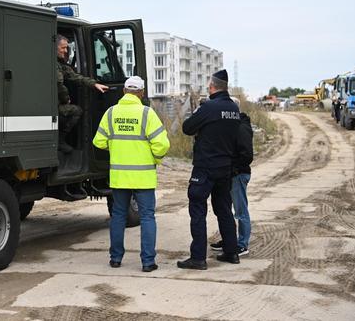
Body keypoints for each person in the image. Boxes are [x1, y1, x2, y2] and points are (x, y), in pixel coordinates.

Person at [93, 76, 170, 272]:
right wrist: (155, 159)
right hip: (143, 178)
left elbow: (98, 142)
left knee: (118, 216)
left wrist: (116, 148)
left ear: (124, 92)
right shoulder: (147, 114)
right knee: (147, 217)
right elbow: (162, 145)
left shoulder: (111, 113)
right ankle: (147, 262)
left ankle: (116, 259)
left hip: (119, 177)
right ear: (142, 93)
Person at [177, 69, 241, 270]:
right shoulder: (234, 109)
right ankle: (231, 252)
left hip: (205, 167)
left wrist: (198, 111)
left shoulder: (209, 107)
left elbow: (187, 128)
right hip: (225, 167)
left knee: (197, 209)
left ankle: (198, 258)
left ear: (212, 86)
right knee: (224, 209)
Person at [211, 110, 253, 255]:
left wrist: (234, 168)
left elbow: (247, 155)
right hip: (230, 174)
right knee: (226, 210)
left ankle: (242, 244)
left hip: (238, 174)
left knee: (240, 210)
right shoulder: (234, 125)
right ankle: (229, 240)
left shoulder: (241, 128)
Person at [57, 34, 108, 153]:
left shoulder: (60, 64)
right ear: (55, 47)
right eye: (63, 48)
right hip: (52, 107)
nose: (65, 51)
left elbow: (74, 76)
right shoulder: (54, 64)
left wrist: (94, 84)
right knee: (77, 111)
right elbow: (59, 84)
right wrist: (65, 99)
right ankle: (60, 141)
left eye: (66, 49)